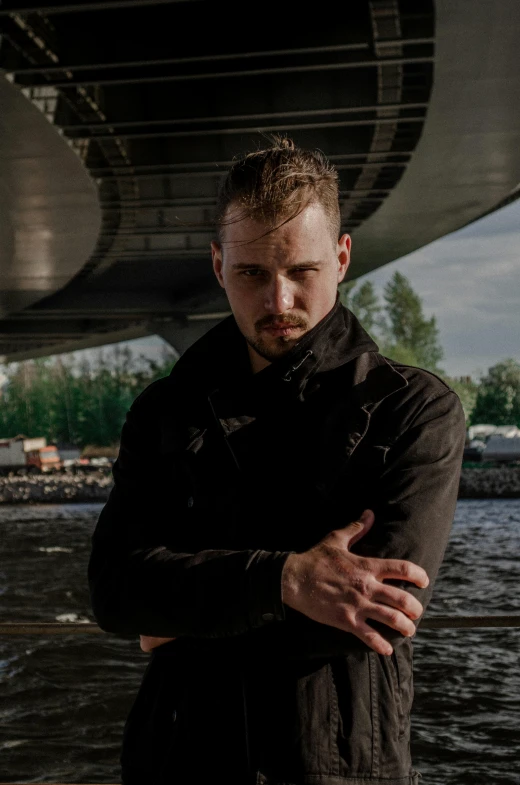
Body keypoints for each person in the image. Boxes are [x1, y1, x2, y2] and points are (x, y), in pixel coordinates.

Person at [88, 137, 466, 785]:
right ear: (217, 264)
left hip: (336, 765)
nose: (279, 301)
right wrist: (286, 579)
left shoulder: (413, 409)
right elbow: (115, 590)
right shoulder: (164, 409)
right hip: (179, 761)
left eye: (301, 271)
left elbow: (378, 613)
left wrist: (181, 615)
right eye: (252, 273)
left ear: (342, 257)